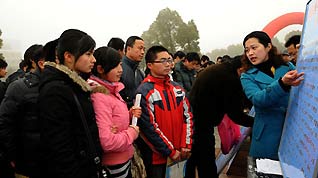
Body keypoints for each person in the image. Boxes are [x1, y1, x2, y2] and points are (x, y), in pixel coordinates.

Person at [38, 29, 102, 178]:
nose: (94, 59)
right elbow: (60, 150)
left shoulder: (76, 85)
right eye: (88, 54)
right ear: (68, 56)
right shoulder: (55, 91)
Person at [184, 58, 254, 178]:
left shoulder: (222, 69)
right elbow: (235, 114)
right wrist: (255, 122)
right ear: (242, 69)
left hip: (194, 117)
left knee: (196, 154)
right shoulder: (229, 78)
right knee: (207, 158)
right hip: (201, 121)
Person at [241, 31, 304, 160]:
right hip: (266, 135)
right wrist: (282, 84)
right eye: (247, 50)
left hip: (293, 130)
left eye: (254, 48)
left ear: (268, 46)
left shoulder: (286, 66)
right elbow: (258, 99)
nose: (250, 53)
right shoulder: (247, 76)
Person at [135, 45, 193, 178]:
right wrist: (170, 152)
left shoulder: (177, 88)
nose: (168, 64)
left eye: (170, 60)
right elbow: (150, 128)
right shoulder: (144, 92)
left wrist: (186, 144)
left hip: (182, 153)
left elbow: (188, 117)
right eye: (163, 61)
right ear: (149, 65)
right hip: (158, 158)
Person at [89, 46, 141, 178]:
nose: (120, 70)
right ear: (100, 69)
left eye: (121, 65)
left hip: (123, 158)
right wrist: (132, 132)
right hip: (115, 164)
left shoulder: (112, 90)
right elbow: (107, 141)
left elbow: (114, 119)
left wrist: (129, 114)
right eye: (116, 66)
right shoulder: (100, 96)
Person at [0, 44, 44, 178]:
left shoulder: (55, 86)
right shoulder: (18, 85)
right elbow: (5, 122)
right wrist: (13, 156)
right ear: (36, 61)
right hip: (26, 162)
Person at [120, 36, 145, 108]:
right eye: (140, 48)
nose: (142, 52)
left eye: (144, 49)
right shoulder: (119, 68)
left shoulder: (139, 71)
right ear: (128, 49)